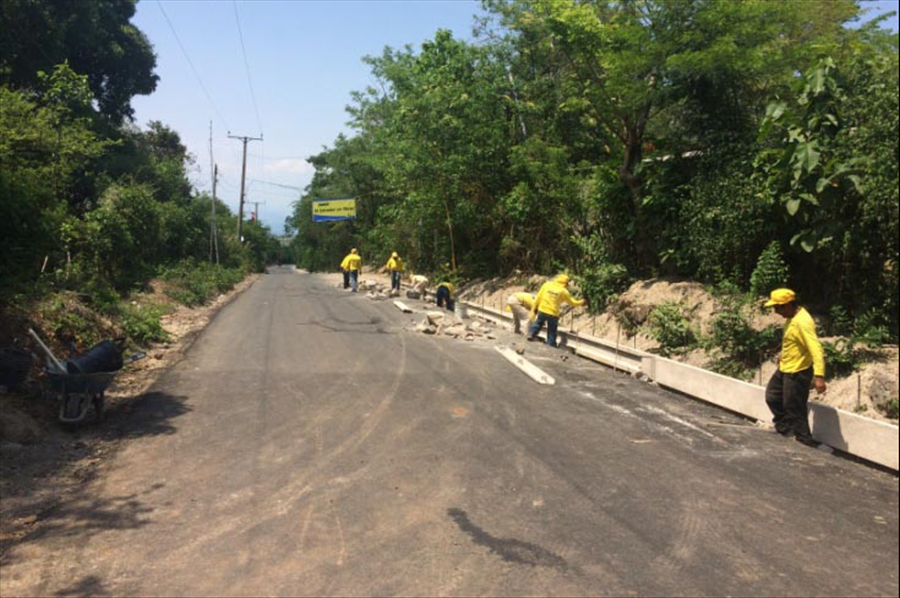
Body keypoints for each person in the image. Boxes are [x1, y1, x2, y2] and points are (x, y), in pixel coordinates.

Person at [764, 288, 827, 446]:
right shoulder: (791, 317)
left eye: (778, 307)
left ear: (788, 305)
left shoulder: (803, 322)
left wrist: (819, 376)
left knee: (794, 407)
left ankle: (804, 441)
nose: (776, 311)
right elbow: (792, 342)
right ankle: (786, 428)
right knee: (772, 396)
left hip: (798, 371)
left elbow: (816, 349)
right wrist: (783, 355)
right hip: (786, 366)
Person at [528, 274, 585, 348]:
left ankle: (531, 333)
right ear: (565, 283)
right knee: (552, 329)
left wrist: (535, 307)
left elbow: (539, 297)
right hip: (553, 313)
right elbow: (572, 302)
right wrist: (582, 302)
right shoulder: (563, 291)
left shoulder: (546, 285)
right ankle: (551, 343)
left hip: (542, 309)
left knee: (538, 323)